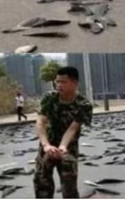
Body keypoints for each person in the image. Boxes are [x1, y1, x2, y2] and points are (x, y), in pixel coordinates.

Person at [34, 66, 93, 198]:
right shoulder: (49, 98)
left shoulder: (83, 104)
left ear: (75, 83)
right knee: (41, 181)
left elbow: (73, 128)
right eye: (57, 81)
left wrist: (63, 146)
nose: (59, 85)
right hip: (47, 144)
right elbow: (40, 122)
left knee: (69, 185)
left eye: (63, 82)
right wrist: (46, 145)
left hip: (68, 147)